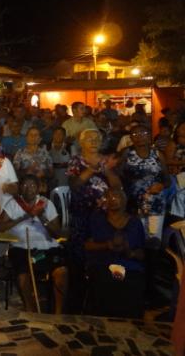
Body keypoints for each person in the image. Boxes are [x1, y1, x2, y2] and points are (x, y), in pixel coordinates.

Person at [66, 128, 121, 313]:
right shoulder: (76, 161)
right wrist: (91, 170)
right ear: (81, 143)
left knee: (103, 256)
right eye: (89, 138)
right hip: (82, 215)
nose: (94, 141)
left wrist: (107, 170)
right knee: (79, 260)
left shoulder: (107, 160)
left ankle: (101, 303)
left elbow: (117, 186)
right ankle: (77, 303)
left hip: (104, 215)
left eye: (97, 137)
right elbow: (74, 185)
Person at [0, 175, 67, 313]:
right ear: (20, 188)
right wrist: (25, 216)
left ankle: (59, 313)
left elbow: (57, 234)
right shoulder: (13, 204)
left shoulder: (46, 204)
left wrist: (41, 216)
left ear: (39, 188)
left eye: (33, 185)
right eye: (25, 185)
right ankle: (31, 310)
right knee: (23, 276)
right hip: (22, 247)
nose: (29, 189)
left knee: (62, 272)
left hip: (47, 248)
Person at [84, 187, 146, 318]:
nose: (113, 199)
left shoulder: (135, 222)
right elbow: (87, 245)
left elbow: (141, 253)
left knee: (131, 281)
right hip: (103, 263)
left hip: (128, 265)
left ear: (124, 200)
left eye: (117, 196)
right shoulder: (97, 219)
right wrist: (106, 245)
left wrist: (130, 253)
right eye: (110, 197)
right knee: (106, 280)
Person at [119, 125, 171, 242]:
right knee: (137, 237)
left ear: (149, 137)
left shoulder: (157, 154)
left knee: (154, 237)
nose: (140, 137)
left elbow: (167, 180)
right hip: (133, 203)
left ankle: (154, 258)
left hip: (155, 202)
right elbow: (118, 175)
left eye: (143, 134)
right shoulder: (127, 153)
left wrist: (161, 185)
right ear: (131, 138)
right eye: (135, 134)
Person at [12, 127, 53, 193]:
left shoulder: (45, 153)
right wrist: (27, 171)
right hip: (25, 188)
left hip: (42, 188)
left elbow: (51, 173)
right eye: (30, 135)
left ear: (40, 139)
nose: (33, 137)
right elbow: (15, 172)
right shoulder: (19, 153)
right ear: (26, 138)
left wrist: (44, 173)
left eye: (36, 135)